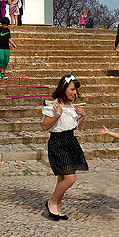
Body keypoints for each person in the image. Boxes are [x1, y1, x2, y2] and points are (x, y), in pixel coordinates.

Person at [41, 75, 87, 220]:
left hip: (70, 141)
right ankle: (51, 202)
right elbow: (44, 126)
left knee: (63, 177)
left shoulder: (71, 107)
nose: (75, 93)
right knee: (70, 178)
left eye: (75, 90)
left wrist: (82, 117)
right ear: (64, 88)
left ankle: (55, 206)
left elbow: (71, 127)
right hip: (58, 143)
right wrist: (57, 114)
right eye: (72, 89)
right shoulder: (53, 106)